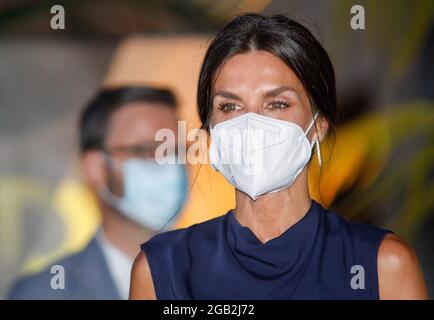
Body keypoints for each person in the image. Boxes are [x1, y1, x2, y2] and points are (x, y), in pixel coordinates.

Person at [129, 14, 428, 300]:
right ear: (209, 129)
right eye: (230, 107)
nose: (251, 124)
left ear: (318, 125)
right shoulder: (163, 269)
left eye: (276, 104)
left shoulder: (381, 265)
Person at [9, 86, 188, 299]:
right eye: (145, 150)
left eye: (178, 151)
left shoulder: (225, 280)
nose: (171, 165)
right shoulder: (43, 294)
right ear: (96, 168)